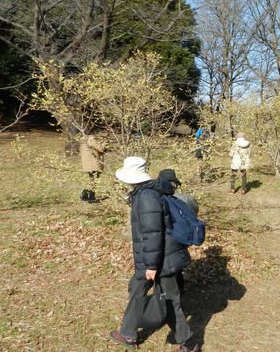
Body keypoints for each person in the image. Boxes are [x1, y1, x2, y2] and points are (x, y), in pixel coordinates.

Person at [110, 157, 199, 352]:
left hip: (160, 260)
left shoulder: (147, 197)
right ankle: (128, 333)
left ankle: (189, 344)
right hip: (152, 258)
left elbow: (153, 234)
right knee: (136, 288)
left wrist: (151, 266)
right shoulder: (143, 193)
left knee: (171, 299)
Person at [79, 133, 107, 203]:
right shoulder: (92, 139)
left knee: (91, 179)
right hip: (93, 163)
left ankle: (84, 195)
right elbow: (101, 149)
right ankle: (91, 197)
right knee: (95, 180)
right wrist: (104, 143)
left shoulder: (84, 139)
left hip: (88, 163)